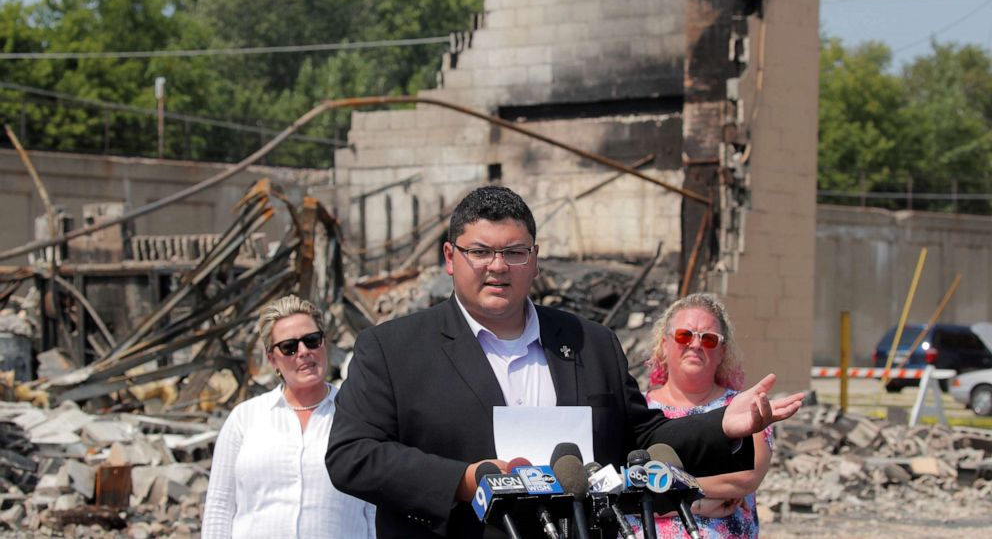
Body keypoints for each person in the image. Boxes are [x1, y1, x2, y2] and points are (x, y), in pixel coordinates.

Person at [326, 186, 803, 539]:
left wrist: (723, 425)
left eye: (514, 253)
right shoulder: (392, 348)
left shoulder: (589, 343)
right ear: (451, 257)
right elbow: (352, 456)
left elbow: (641, 438)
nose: (497, 267)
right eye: (480, 252)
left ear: (534, 260)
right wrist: (463, 481)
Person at [202, 294, 375, 539]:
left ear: (324, 343)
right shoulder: (245, 419)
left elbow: (375, 507)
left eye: (311, 341)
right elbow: (219, 508)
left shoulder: (359, 415)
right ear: (272, 358)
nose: (303, 352)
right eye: (289, 347)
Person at [631, 293, 773, 539]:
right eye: (684, 335)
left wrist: (660, 490)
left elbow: (745, 478)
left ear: (722, 352)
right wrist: (698, 503)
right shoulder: (637, 408)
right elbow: (623, 488)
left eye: (708, 339)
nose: (695, 345)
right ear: (664, 344)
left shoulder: (741, 407)